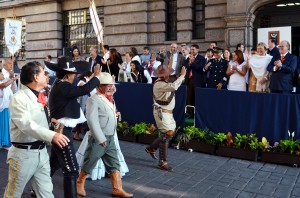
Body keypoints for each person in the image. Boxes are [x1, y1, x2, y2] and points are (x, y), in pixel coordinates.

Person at [3, 61, 69, 198]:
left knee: (46, 193)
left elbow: (36, 120)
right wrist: (52, 135)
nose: (47, 75)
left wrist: (51, 122)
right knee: (13, 194)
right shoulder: (18, 98)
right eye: (44, 73)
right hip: (23, 156)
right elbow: (26, 124)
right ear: (35, 77)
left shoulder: (38, 95)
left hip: (42, 153)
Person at [45, 56, 101, 198]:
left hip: (60, 129)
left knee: (53, 164)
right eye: (73, 75)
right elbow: (84, 90)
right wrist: (96, 77)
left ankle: (37, 189)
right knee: (72, 170)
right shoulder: (63, 86)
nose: (74, 77)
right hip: (62, 131)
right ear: (67, 75)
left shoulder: (59, 85)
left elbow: (81, 89)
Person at [77, 72, 133, 197]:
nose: (111, 87)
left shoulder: (109, 98)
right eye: (108, 85)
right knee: (90, 161)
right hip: (99, 138)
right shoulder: (93, 99)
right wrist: (100, 138)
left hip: (110, 137)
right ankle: (79, 182)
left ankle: (117, 188)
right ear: (100, 86)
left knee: (114, 163)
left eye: (112, 85)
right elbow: (91, 120)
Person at [145, 65, 186, 171]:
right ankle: (162, 162)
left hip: (167, 113)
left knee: (169, 134)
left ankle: (151, 148)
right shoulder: (159, 84)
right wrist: (182, 76)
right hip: (162, 113)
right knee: (167, 135)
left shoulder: (162, 83)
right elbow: (174, 87)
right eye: (167, 74)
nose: (169, 75)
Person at [0, 67, 17, 150]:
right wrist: (14, 79)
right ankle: (4, 143)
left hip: (6, 107)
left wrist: (12, 82)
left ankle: (6, 142)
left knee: (7, 125)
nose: (3, 75)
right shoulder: (1, 84)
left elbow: (11, 90)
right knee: (3, 126)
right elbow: (5, 85)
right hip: (2, 108)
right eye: (1, 74)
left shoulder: (3, 82)